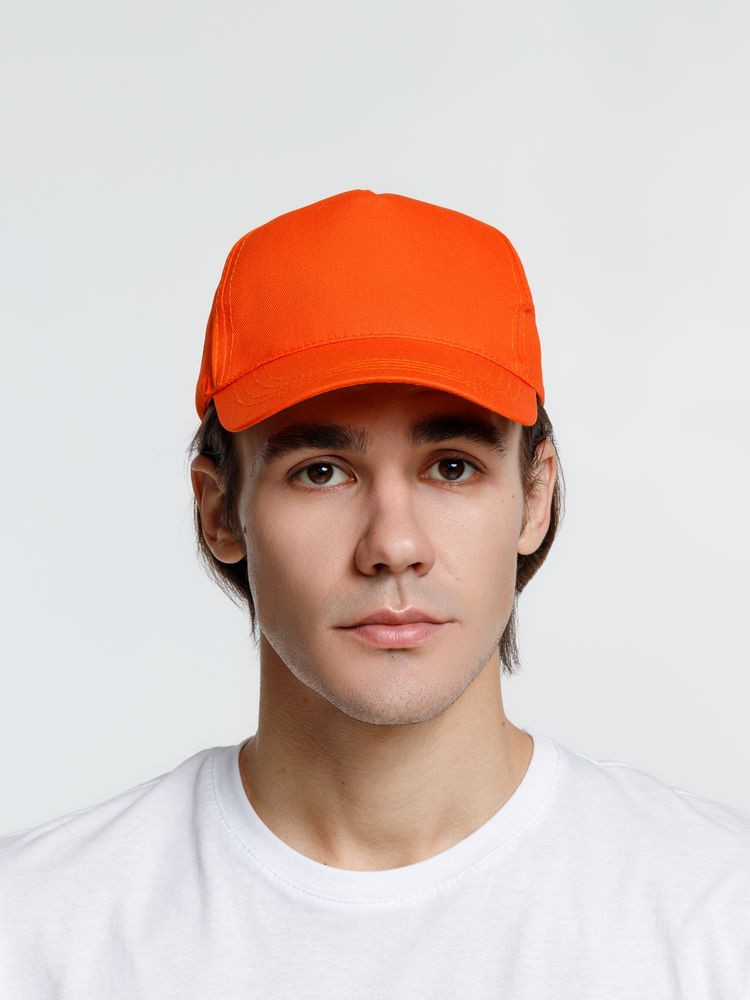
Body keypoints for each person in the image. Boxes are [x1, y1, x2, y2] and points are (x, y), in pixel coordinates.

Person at [1, 189, 748, 998]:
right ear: (220, 511)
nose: (393, 544)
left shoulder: (715, 913)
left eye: (452, 467)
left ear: (534, 497)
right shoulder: (40, 932)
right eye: (321, 472)